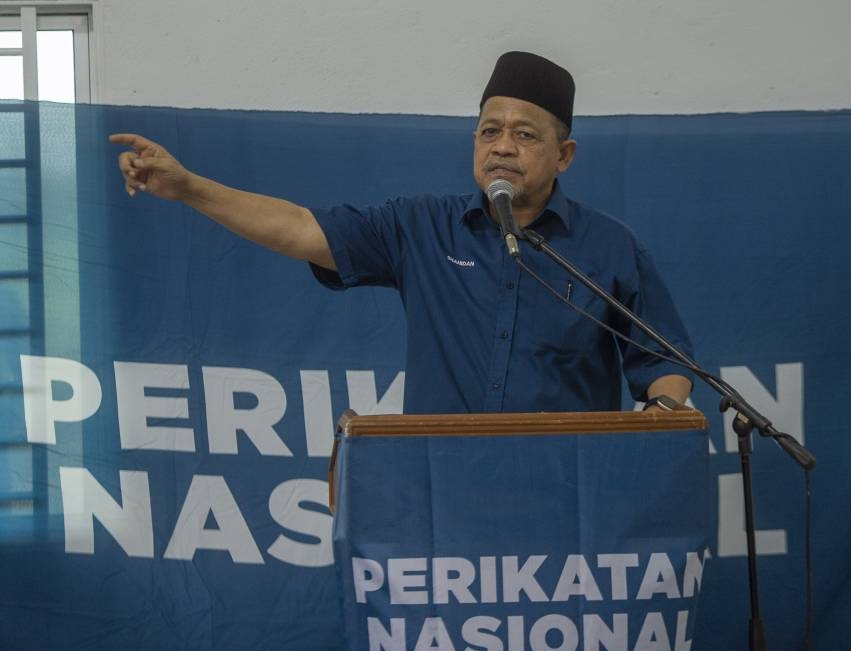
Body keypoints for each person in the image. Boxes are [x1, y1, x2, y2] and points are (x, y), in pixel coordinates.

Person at [111, 51, 695, 414]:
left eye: (524, 135)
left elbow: (663, 363)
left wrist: (663, 410)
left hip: (571, 494)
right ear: (474, 143)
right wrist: (189, 187)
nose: (502, 147)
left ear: (563, 155)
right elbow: (298, 229)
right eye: (489, 131)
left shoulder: (610, 247)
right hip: (443, 492)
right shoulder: (420, 227)